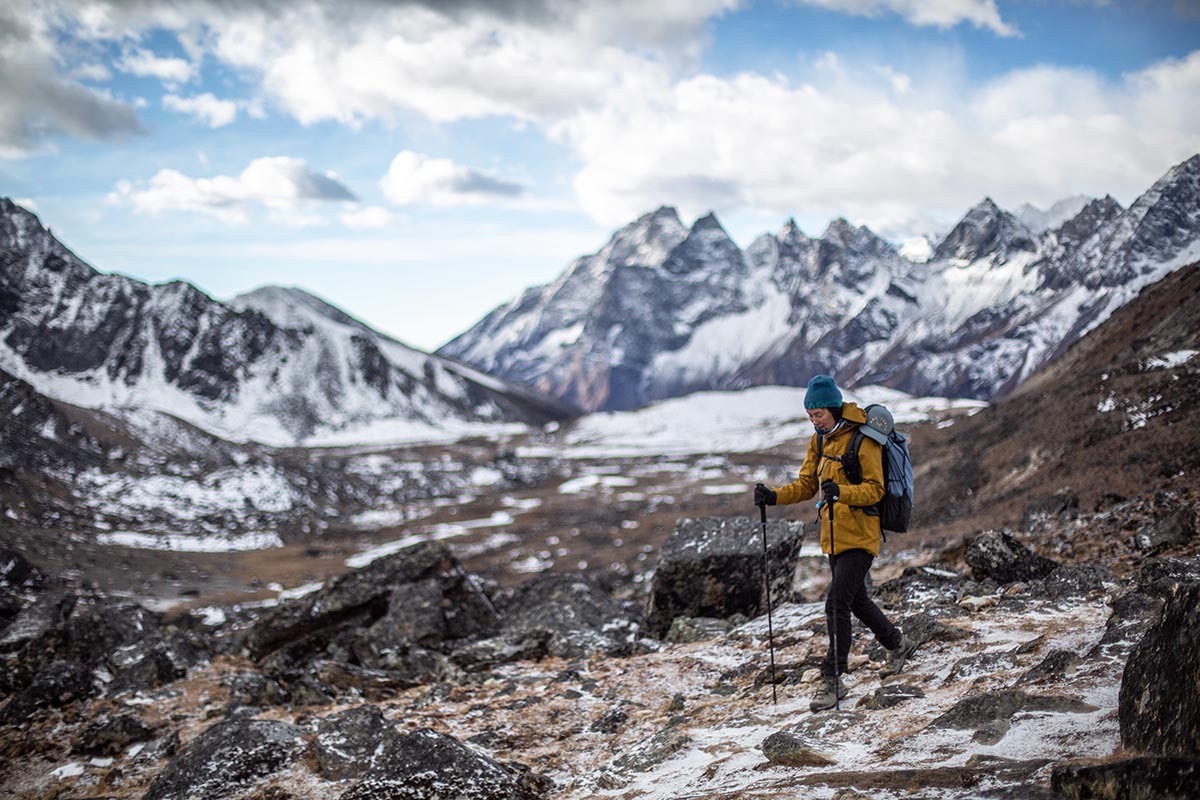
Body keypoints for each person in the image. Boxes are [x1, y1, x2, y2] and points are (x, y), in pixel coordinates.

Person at [753, 374, 917, 711]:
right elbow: (805, 485)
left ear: (833, 407)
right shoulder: (820, 441)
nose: (814, 421)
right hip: (832, 536)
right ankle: (897, 642)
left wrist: (842, 492)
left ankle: (832, 678)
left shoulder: (863, 438)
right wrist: (772, 496)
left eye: (819, 415)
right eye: (810, 416)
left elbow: (876, 489)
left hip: (861, 534)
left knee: (835, 603)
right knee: (855, 600)